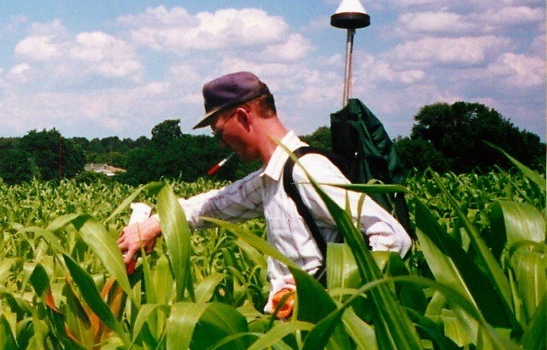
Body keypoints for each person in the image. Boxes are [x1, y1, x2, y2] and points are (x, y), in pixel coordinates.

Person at [117, 71, 411, 316]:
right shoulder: (274, 177)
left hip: (321, 335)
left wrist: (333, 294)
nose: (221, 143)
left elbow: (392, 237)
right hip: (292, 331)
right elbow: (216, 205)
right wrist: (156, 223)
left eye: (219, 132)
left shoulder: (306, 173)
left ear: (243, 116)